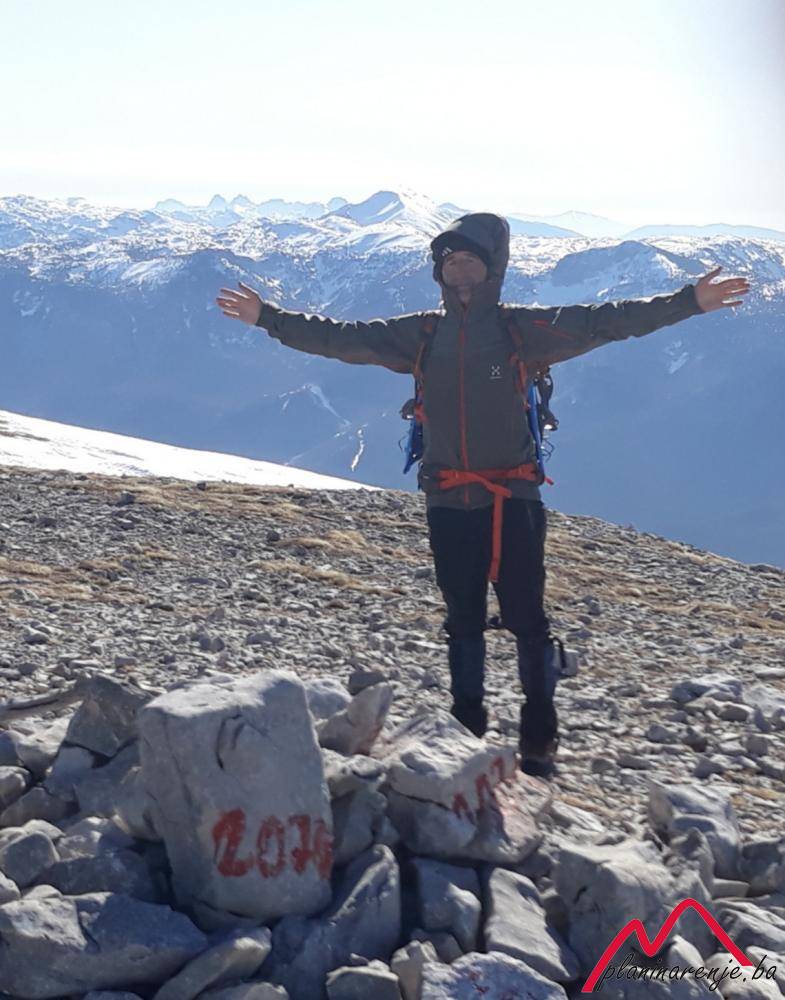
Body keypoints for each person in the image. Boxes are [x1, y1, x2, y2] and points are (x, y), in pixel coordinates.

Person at [216, 212, 750, 777]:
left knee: (527, 617)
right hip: (448, 499)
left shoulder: (523, 330)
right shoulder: (422, 334)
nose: (459, 268)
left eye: (470, 258)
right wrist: (267, 318)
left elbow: (608, 322)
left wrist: (689, 302)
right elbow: (341, 339)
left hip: (512, 496)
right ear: (439, 273)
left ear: (493, 268)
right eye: (449, 260)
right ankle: (466, 727)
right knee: (462, 617)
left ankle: (539, 736)